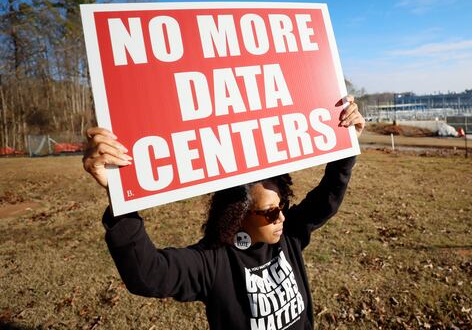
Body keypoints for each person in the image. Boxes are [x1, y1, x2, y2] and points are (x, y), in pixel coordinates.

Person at [83, 96, 365, 330]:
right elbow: (148, 274)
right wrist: (120, 199)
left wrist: (346, 144)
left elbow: (325, 200)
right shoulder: (213, 262)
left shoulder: (288, 235)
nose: (280, 217)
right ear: (238, 214)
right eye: (269, 213)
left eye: (282, 207)